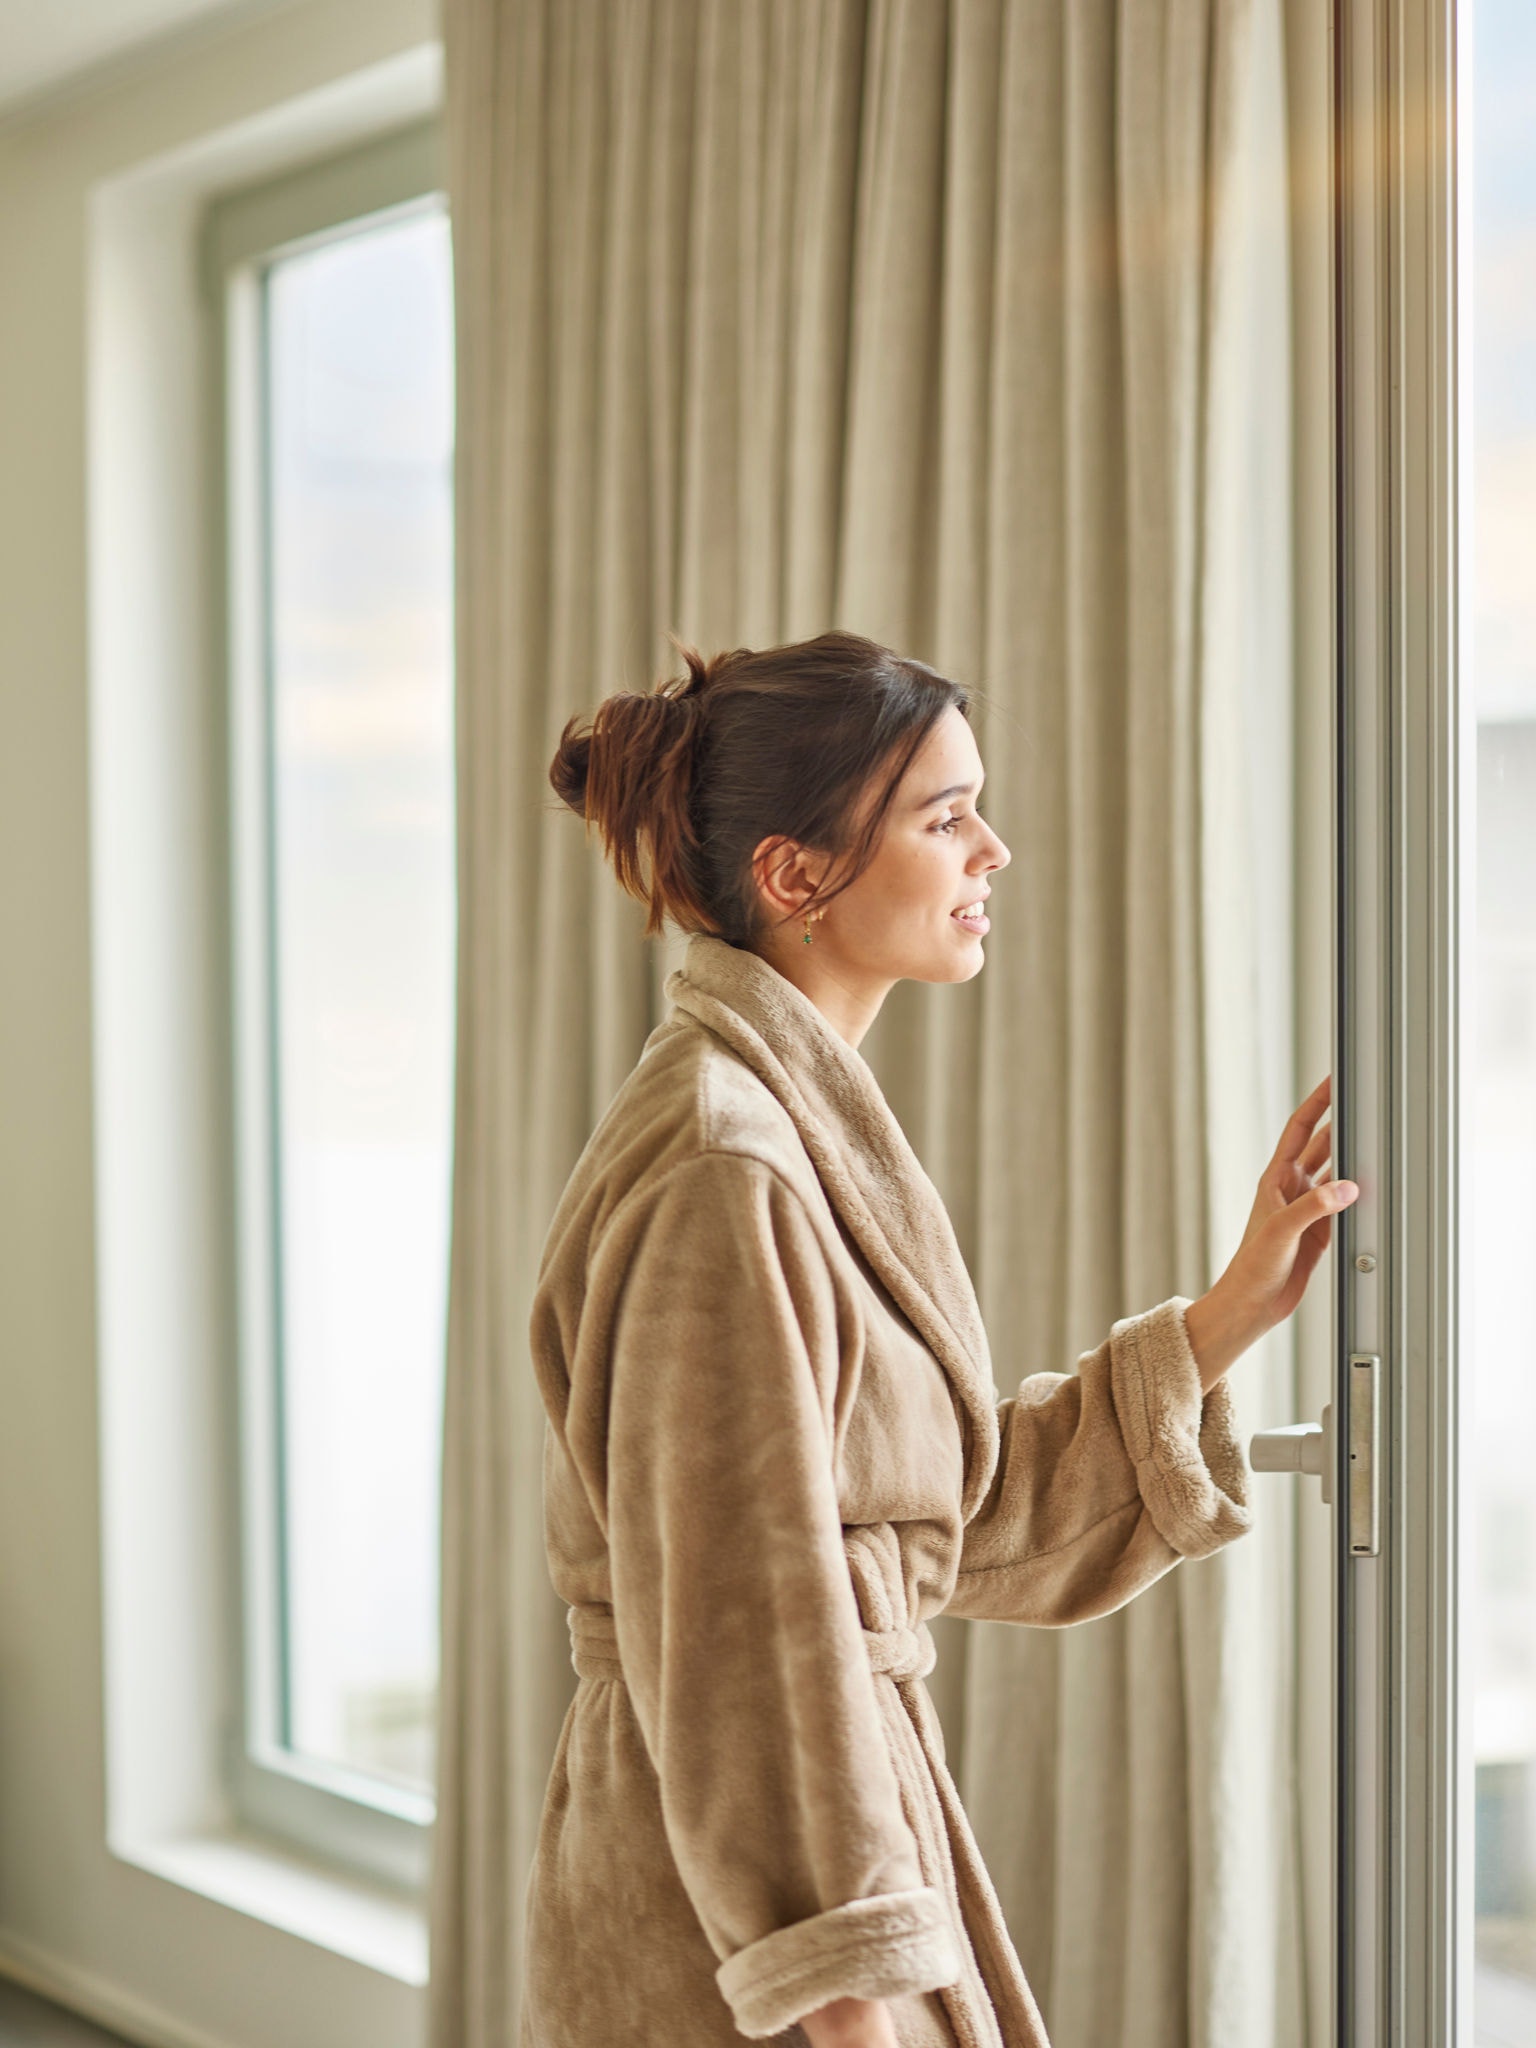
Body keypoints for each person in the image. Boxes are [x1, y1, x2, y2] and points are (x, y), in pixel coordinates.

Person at [520, 630, 1356, 2048]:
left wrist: (1228, 1315)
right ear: (796, 877)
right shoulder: (727, 1172)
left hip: (814, 1859)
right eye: (946, 814)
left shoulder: (778, 1121)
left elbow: (940, 1520)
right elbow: (741, 1633)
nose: (996, 851)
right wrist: (849, 1994)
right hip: (749, 1926)